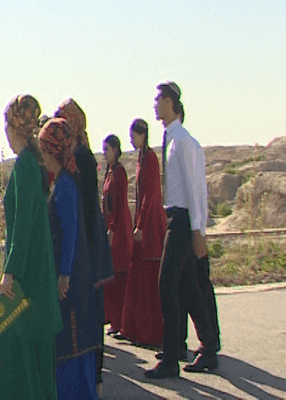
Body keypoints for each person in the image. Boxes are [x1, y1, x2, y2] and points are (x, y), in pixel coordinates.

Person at [145, 82, 220, 378]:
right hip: (176, 219)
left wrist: (198, 229)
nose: (154, 105)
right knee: (187, 288)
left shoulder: (182, 141)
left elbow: (194, 188)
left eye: (157, 99)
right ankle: (208, 348)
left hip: (183, 220)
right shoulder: (172, 139)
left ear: (169, 101)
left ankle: (171, 359)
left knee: (167, 286)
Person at [0, 95, 61, 400]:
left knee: (19, 350)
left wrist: (10, 273)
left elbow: (22, 226)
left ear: (12, 127)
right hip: (33, 270)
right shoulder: (32, 163)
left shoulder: (26, 166)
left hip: (27, 276)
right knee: (29, 353)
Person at [39, 117, 102, 400]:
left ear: (52, 151)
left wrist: (64, 274)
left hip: (71, 282)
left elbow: (71, 232)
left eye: (43, 149)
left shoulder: (65, 185)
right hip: (70, 276)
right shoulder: (61, 181)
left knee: (72, 344)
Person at [55, 97, 113, 394]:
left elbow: (88, 208)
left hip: (88, 244)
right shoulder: (79, 154)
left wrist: (86, 251)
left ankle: (94, 376)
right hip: (87, 241)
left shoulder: (81, 157)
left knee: (89, 314)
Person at [120, 118, 166, 347]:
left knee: (149, 279)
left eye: (133, 136)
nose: (131, 140)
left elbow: (150, 195)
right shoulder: (140, 157)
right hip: (141, 220)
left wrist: (142, 225)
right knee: (137, 276)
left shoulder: (150, 158)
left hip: (150, 226)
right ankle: (134, 329)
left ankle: (152, 333)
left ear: (142, 135)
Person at [102, 134, 133, 337]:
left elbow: (119, 203)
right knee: (111, 277)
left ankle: (122, 322)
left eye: (107, 150)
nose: (105, 154)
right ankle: (114, 320)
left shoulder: (119, 172)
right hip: (110, 227)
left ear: (116, 150)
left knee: (120, 275)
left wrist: (113, 228)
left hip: (119, 229)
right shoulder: (109, 171)